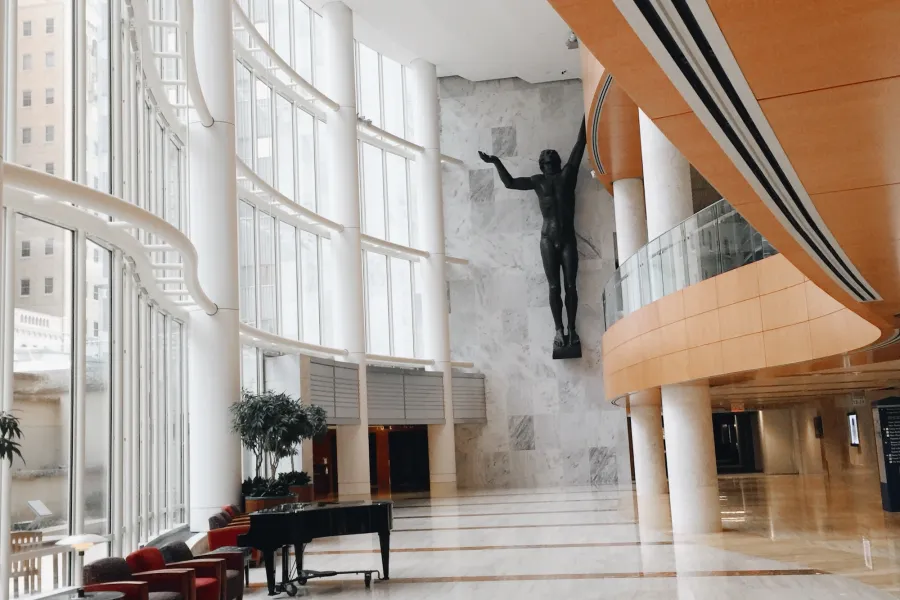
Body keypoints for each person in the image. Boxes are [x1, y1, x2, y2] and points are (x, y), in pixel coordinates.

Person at [478, 117, 587, 350]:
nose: (548, 162)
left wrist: (587, 114)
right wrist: (496, 161)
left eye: (551, 159)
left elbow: (580, 144)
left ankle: (573, 330)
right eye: (545, 160)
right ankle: (559, 330)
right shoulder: (538, 182)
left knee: (570, 285)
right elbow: (509, 183)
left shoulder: (569, 175)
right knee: (554, 287)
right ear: (541, 165)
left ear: (556, 162)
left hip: (567, 238)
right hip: (548, 238)